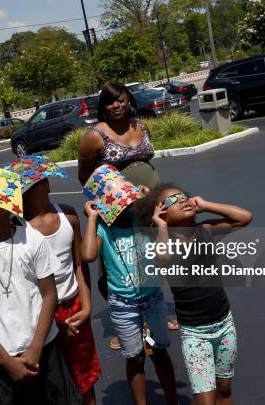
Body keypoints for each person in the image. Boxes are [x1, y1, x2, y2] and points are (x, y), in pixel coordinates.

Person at [0, 168, 82, 405]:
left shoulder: (32, 239)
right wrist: (6, 361)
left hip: (44, 346)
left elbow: (49, 294)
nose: (9, 203)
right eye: (0, 200)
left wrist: (35, 348)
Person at [138, 184, 253, 405]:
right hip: (195, 333)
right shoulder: (164, 244)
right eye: (172, 201)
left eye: (183, 197)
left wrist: (205, 205)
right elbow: (162, 260)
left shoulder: (205, 231)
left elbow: (244, 217)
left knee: (224, 387)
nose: (182, 201)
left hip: (224, 324)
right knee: (205, 399)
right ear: (163, 215)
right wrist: (160, 226)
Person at [78, 83, 174, 344]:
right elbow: (85, 177)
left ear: (128, 99)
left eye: (120, 100)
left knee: (151, 253)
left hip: (150, 199)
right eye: (110, 102)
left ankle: (155, 311)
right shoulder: (95, 136)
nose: (116, 105)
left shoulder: (141, 126)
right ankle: (126, 322)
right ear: (103, 106)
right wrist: (110, 197)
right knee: (117, 262)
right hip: (117, 207)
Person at [6, 155, 101, 405]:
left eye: (40, 182)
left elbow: (79, 265)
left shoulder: (68, 217)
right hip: (38, 317)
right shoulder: (15, 230)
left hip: (74, 309)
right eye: (25, 187)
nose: (36, 189)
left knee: (84, 379)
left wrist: (87, 307)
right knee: (50, 382)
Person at [81, 165, 177, 405]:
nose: (123, 206)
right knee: (134, 358)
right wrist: (92, 219)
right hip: (123, 303)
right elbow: (89, 254)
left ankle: (172, 400)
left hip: (153, 297)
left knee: (159, 352)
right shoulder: (103, 226)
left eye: (126, 198)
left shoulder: (141, 216)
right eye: (117, 202)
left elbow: (165, 245)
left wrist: (147, 197)